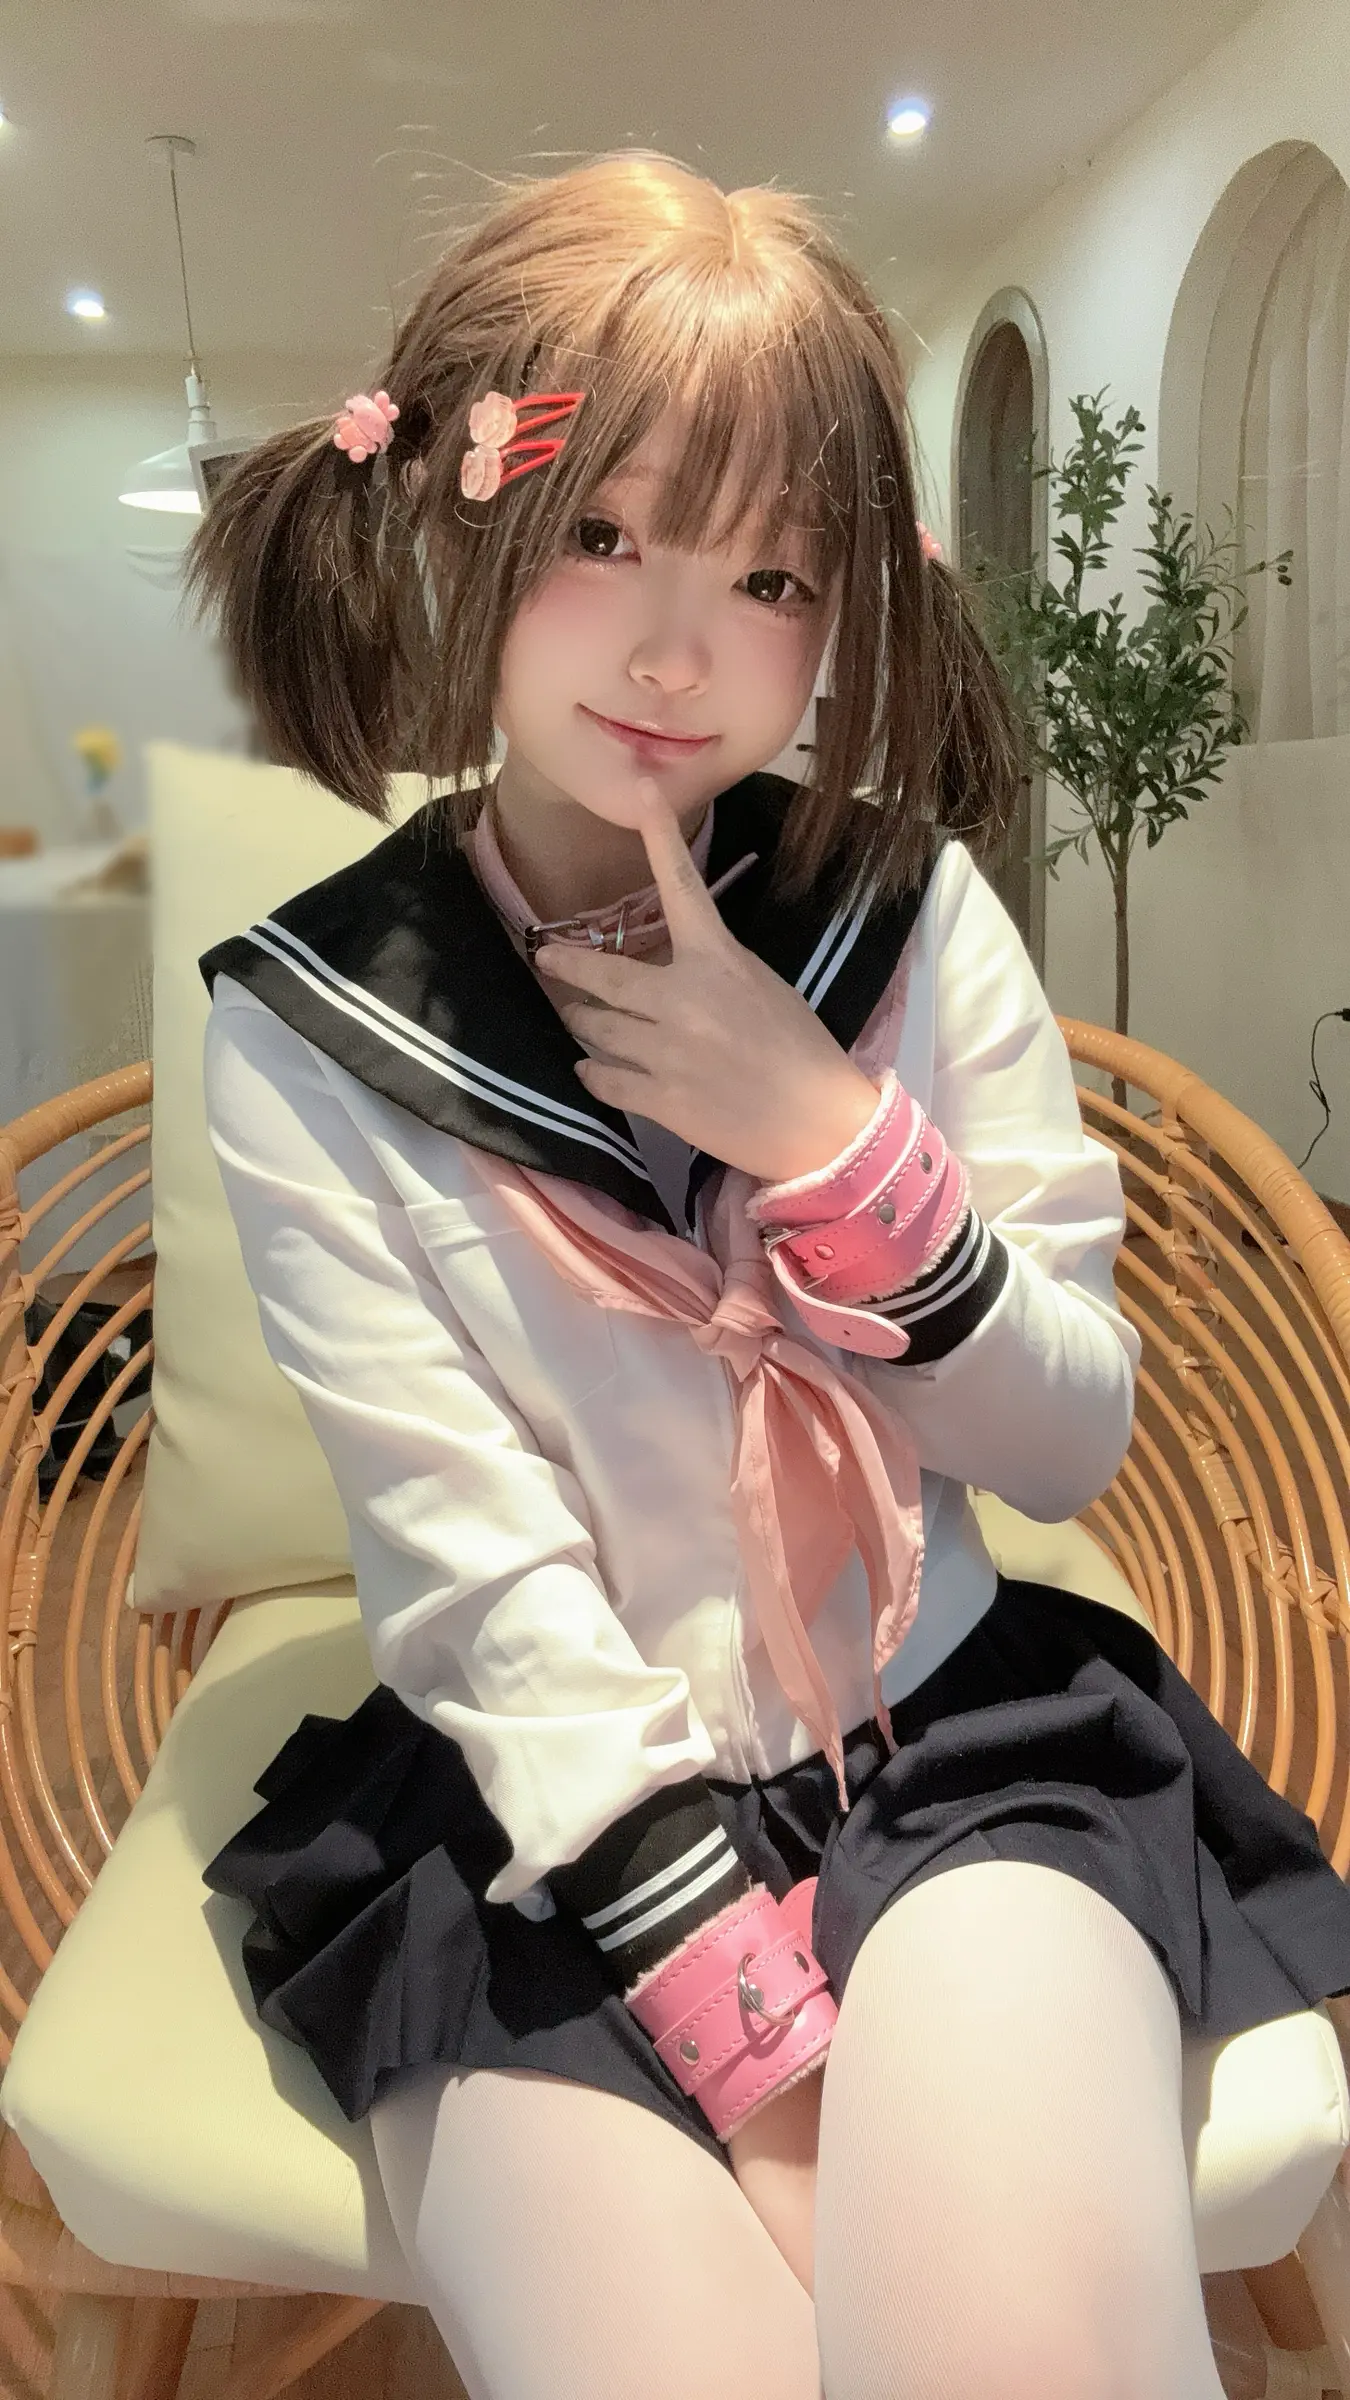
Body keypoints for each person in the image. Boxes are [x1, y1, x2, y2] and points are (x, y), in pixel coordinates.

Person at [183, 153, 1350, 2400]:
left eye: (769, 574)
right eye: (602, 534)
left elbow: (1066, 1436)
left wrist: (826, 1136)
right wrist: (762, 2067)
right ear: (455, 519)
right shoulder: (314, 1024)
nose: (671, 647)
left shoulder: (908, 916)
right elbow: (468, 1570)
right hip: (541, 1818)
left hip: (951, 1739)